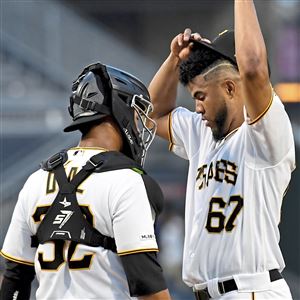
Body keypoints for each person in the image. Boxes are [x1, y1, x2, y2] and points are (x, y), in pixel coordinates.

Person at [148, 0, 295, 299]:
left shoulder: (266, 133)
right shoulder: (202, 133)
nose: (196, 106)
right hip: (207, 292)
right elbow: (148, 115)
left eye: (201, 96)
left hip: (251, 289)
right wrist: (174, 59)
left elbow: (253, 68)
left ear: (230, 88)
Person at [0, 62, 171, 300]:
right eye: (135, 112)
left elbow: (13, 282)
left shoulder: (36, 179)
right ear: (119, 109)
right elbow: (147, 286)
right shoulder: (127, 181)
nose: (139, 123)